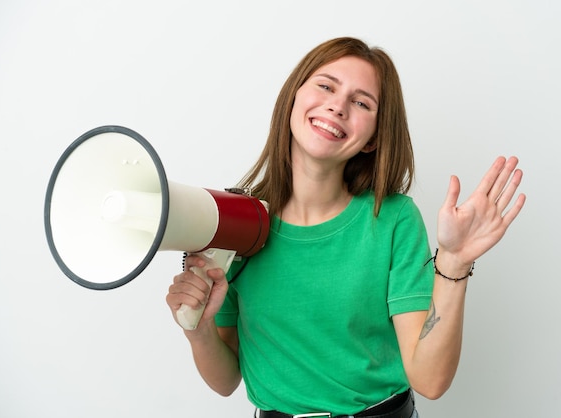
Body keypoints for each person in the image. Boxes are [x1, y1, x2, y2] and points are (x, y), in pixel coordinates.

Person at [166, 37, 526, 418]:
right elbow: (225, 381)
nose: (337, 106)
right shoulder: (237, 224)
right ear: (293, 97)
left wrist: (453, 261)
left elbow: (430, 380)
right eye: (325, 86)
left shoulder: (393, 220)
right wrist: (198, 329)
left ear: (372, 139)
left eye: (361, 102)